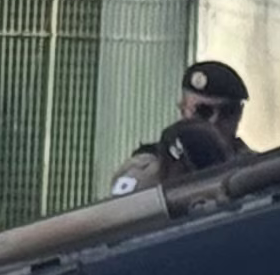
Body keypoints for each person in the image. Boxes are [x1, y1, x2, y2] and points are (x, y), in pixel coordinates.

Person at [107, 57, 253, 199]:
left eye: (228, 112)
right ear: (183, 109)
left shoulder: (254, 168)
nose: (214, 121)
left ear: (239, 114)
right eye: (203, 111)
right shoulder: (149, 168)